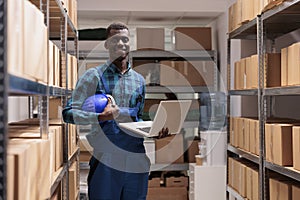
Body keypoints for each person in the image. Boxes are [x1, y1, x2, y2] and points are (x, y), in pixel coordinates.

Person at [62, 22, 151, 200]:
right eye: (115, 39)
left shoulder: (139, 80)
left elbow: (138, 117)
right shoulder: (92, 76)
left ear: (129, 43)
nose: (120, 43)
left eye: (124, 39)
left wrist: (153, 131)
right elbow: (68, 113)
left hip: (136, 156)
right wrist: (100, 117)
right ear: (107, 44)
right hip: (107, 158)